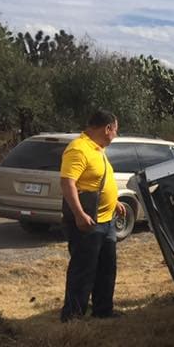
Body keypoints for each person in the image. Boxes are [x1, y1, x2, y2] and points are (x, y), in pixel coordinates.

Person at [59, 110, 126, 322]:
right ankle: (73, 316)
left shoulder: (96, 148)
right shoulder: (78, 149)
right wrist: (79, 214)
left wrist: (113, 202)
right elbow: (67, 183)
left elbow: (95, 181)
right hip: (88, 222)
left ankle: (103, 310)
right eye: (115, 130)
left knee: (107, 267)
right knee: (84, 269)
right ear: (107, 128)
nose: (115, 135)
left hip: (106, 221)